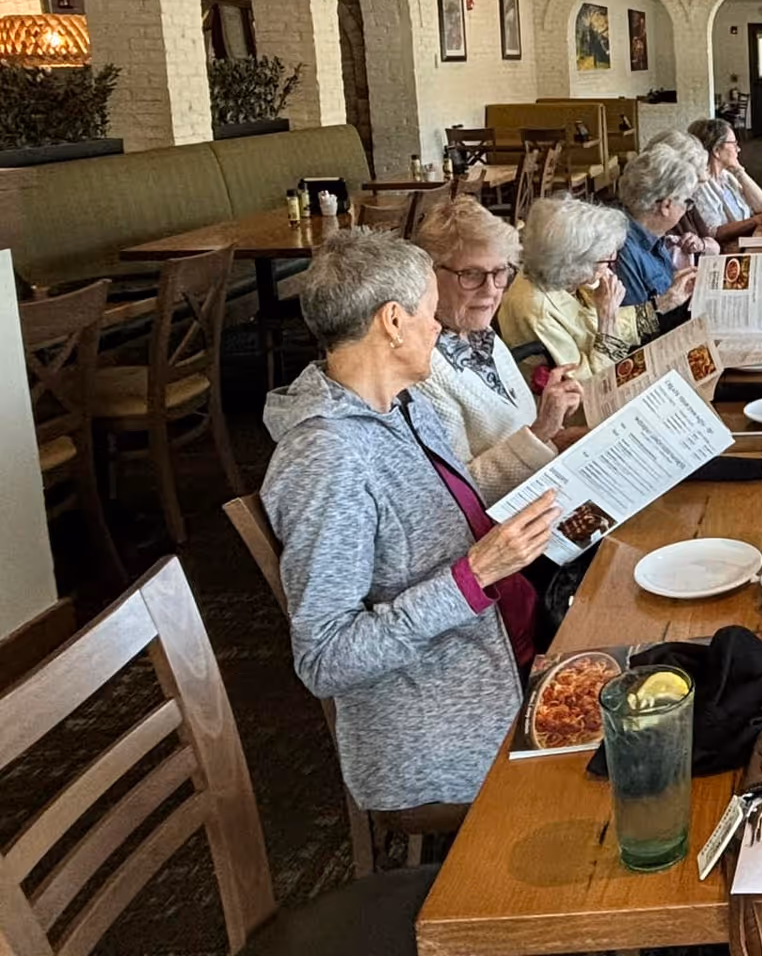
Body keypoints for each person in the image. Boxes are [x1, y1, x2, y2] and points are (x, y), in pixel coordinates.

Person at [262, 228, 560, 811]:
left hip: (502, 656)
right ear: (393, 322)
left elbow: (452, 513)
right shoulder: (327, 461)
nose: (439, 327)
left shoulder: (406, 404)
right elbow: (326, 659)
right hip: (445, 728)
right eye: (429, 312)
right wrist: (472, 578)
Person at [413, 197, 584, 501]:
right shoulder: (424, 370)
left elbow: (521, 432)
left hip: (542, 494)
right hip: (507, 531)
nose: (491, 290)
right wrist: (542, 431)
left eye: (500, 272)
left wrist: (563, 433)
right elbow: (462, 496)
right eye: (471, 274)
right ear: (430, 275)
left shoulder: (479, 333)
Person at [498, 197, 691, 374]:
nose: (611, 264)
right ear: (575, 263)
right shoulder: (536, 309)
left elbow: (617, 325)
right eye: (606, 259)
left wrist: (664, 303)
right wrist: (607, 320)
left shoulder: (570, 278)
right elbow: (585, 383)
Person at [613, 145, 704, 328]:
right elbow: (635, 328)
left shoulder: (652, 234)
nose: (687, 209)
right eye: (687, 202)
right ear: (666, 205)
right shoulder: (623, 250)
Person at [686, 117, 762, 241]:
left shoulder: (726, 176)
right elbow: (713, 233)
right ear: (716, 150)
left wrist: (739, 171)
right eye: (734, 144)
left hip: (746, 241)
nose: (738, 149)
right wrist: (757, 220)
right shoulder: (700, 185)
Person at [646, 129, 720, 257]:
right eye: (695, 179)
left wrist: (702, 244)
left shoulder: (687, 202)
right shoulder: (656, 211)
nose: (704, 179)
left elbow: (715, 246)